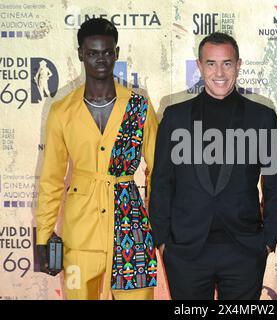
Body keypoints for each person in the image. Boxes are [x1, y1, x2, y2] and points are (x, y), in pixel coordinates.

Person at [149, 32, 277, 300]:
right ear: (199, 66)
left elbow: (275, 185)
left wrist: (268, 240)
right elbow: (162, 182)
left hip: (244, 249)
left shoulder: (262, 117)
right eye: (211, 63)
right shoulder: (175, 117)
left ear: (238, 65)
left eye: (227, 63)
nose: (219, 72)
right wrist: (163, 241)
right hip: (186, 250)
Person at [36, 18, 158, 300]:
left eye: (106, 52)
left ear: (116, 52)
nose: (100, 59)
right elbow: (52, 179)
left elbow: (159, 172)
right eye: (92, 53)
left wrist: (159, 226)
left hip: (131, 226)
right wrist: (43, 235)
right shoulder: (62, 111)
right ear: (80, 54)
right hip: (81, 228)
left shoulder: (138, 107)